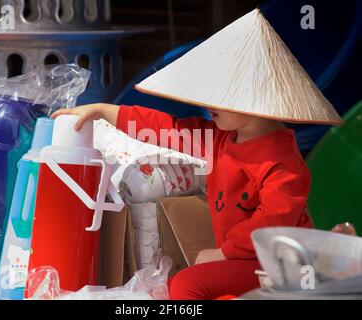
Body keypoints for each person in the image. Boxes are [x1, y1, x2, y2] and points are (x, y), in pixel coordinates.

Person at [51, 9, 343, 299]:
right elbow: (166, 127)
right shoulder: (218, 137)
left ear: (250, 100)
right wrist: (104, 111)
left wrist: (223, 253)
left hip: (280, 263)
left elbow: (273, 222)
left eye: (218, 96)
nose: (206, 104)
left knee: (188, 285)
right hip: (246, 260)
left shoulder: (282, 163)